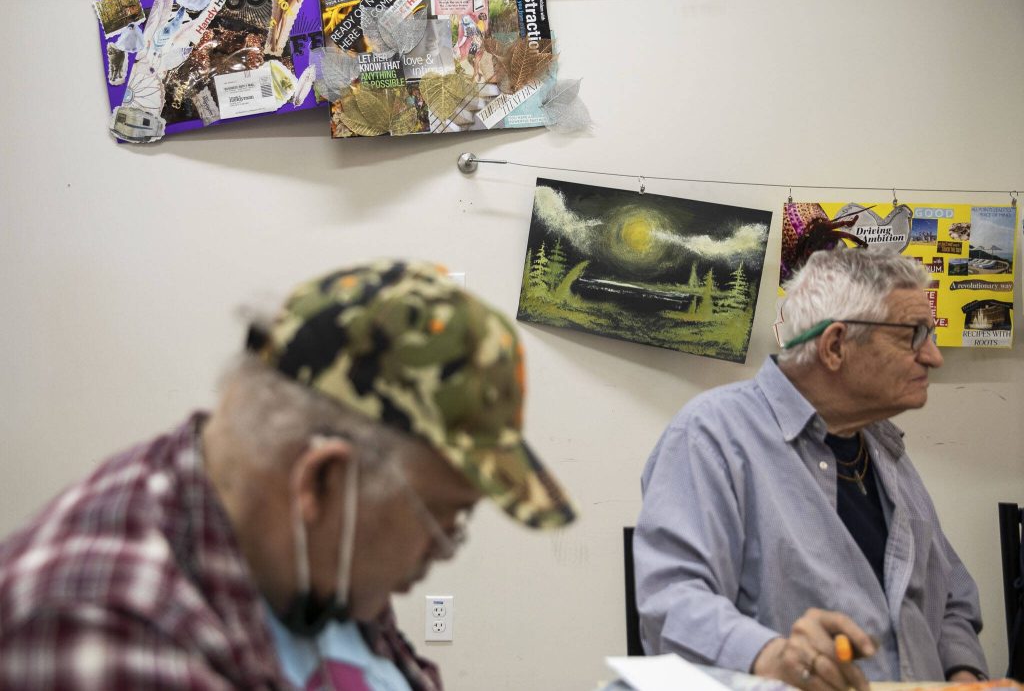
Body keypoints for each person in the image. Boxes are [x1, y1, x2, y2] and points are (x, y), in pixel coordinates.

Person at [0, 259, 576, 689]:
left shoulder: (309, 554)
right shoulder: (105, 630)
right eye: (445, 519)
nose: (443, 551)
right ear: (322, 481)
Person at [634, 247, 987, 690]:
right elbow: (672, 604)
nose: (933, 357)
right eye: (913, 335)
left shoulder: (882, 445)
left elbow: (950, 595)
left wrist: (964, 674)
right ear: (836, 345)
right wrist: (771, 656)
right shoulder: (712, 435)